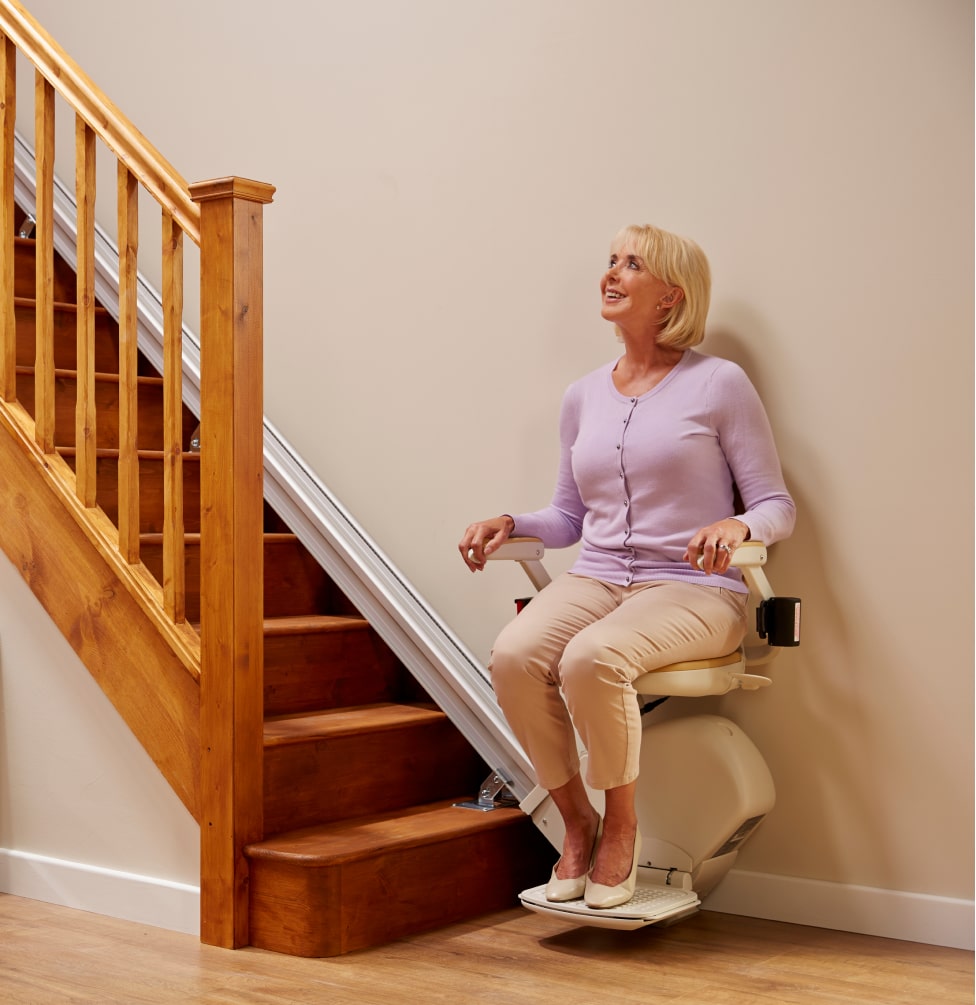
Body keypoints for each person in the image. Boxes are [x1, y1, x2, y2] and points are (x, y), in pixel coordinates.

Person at [458, 223, 795, 910]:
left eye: (632, 264)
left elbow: (776, 504)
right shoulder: (583, 395)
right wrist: (513, 523)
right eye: (610, 261)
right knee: (514, 655)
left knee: (592, 657)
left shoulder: (719, 384)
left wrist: (738, 525)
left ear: (671, 294)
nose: (611, 274)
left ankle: (621, 825)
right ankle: (575, 820)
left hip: (695, 587)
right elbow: (569, 518)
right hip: (599, 576)